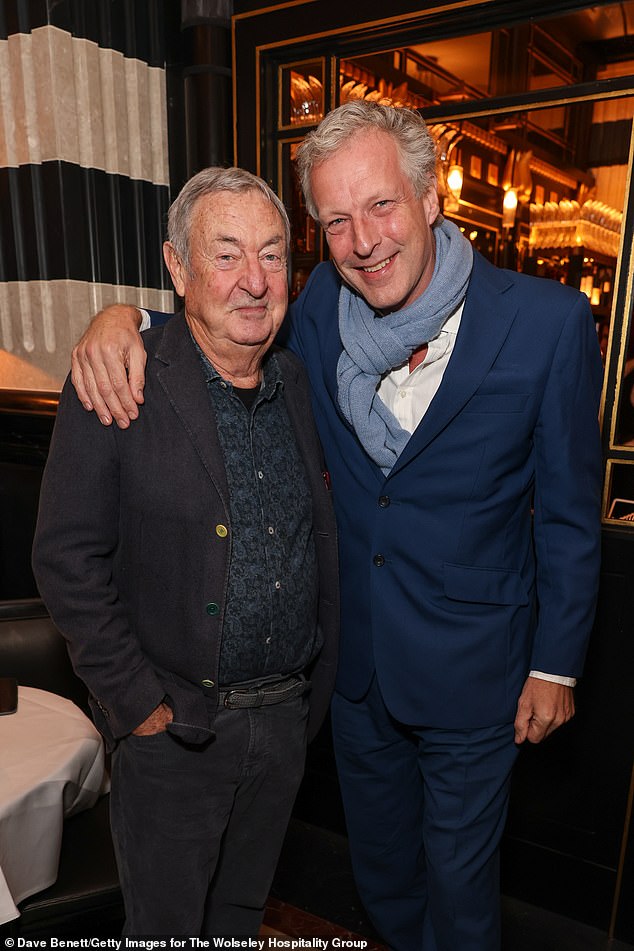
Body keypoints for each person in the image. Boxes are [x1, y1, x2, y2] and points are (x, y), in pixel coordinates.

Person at [69, 102, 603, 951]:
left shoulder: (547, 323)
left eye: (382, 206)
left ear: (431, 197)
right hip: (352, 671)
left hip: (480, 675)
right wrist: (122, 321)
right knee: (382, 877)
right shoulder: (318, 313)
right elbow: (223, 320)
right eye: (337, 220)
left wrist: (556, 666)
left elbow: (573, 517)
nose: (364, 241)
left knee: (463, 890)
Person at [32, 167, 339, 937]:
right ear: (177, 266)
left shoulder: (296, 380)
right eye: (226, 253)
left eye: (272, 255)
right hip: (176, 734)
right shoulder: (119, 377)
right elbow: (66, 558)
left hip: (282, 725)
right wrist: (141, 708)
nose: (254, 280)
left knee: (237, 920)